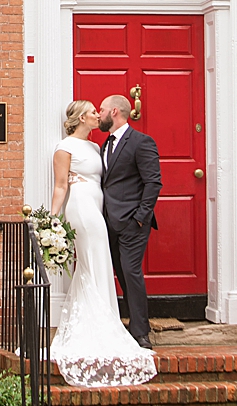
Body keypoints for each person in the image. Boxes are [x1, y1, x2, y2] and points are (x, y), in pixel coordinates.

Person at [47, 99, 157, 387]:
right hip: (83, 208)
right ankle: (102, 324)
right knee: (96, 261)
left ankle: (106, 320)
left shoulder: (98, 147)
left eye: (100, 110)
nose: (99, 114)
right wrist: (52, 220)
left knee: (99, 263)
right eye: (94, 112)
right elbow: (60, 185)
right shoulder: (64, 147)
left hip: (103, 210)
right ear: (82, 117)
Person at [99, 93, 162, 349]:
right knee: (121, 273)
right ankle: (127, 324)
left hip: (132, 222)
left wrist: (140, 218)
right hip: (108, 221)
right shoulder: (105, 144)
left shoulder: (141, 142)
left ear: (114, 112)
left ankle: (141, 333)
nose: (98, 114)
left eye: (102, 110)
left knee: (131, 272)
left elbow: (153, 182)